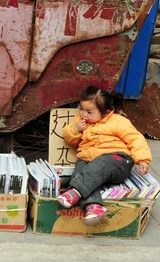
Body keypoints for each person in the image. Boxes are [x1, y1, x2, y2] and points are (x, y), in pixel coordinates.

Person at [57, 86, 152, 226]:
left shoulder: (118, 121)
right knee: (81, 174)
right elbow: (70, 139)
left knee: (101, 163)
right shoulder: (80, 122)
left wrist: (143, 159)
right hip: (89, 160)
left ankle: (74, 191)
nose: (83, 114)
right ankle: (94, 208)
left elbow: (135, 138)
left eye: (89, 112)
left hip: (117, 160)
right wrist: (75, 130)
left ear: (105, 113)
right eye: (81, 108)